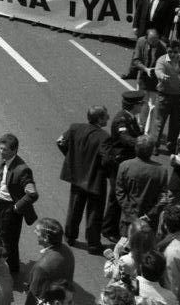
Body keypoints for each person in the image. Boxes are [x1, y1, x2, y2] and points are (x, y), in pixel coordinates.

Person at [56, 105, 108, 252]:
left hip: (77, 175)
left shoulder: (75, 128)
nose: (108, 118)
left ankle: (70, 236)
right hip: (94, 178)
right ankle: (93, 243)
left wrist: (71, 158)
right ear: (99, 118)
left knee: (74, 207)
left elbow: (60, 142)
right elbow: (107, 160)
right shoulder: (103, 137)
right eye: (105, 116)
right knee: (94, 212)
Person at [0, 133, 38, 278]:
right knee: (3, 237)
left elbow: (32, 194)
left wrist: (16, 208)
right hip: (0, 206)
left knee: (6, 240)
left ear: (14, 150)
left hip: (10, 208)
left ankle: (7, 271)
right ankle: (12, 266)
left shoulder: (22, 169)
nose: (1, 152)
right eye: (0, 148)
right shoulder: (4, 161)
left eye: (4, 149)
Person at [102, 90, 146, 243]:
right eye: (141, 104)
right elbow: (125, 138)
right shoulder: (122, 120)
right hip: (118, 163)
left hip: (127, 162)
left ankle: (114, 226)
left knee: (122, 195)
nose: (143, 106)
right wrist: (142, 143)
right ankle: (108, 229)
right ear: (134, 105)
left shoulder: (131, 117)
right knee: (116, 196)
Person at [115, 136, 168, 236]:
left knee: (124, 248)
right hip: (149, 222)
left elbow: (120, 193)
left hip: (128, 220)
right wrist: (149, 215)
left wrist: (132, 215)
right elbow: (163, 198)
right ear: (152, 151)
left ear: (136, 148)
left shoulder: (124, 166)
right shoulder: (161, 171)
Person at [25, 219, 73, 305]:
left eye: (37, 230)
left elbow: (33, 296)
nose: (34, 231)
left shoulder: (41, 267)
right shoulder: (67, 250)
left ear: (46, 238)